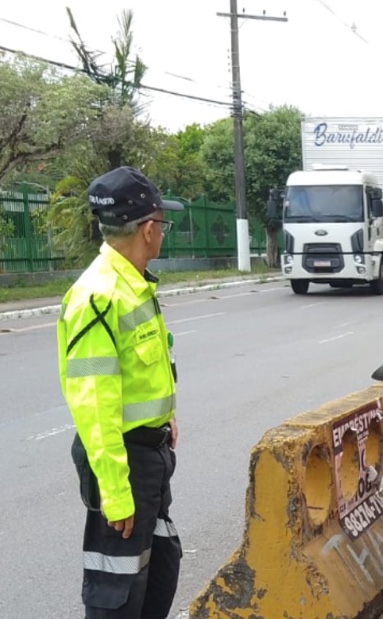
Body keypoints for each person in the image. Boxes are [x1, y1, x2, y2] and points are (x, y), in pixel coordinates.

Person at [57, 166, 184, 618]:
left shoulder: (133, 284)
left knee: (158, 570)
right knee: (118, 589)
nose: (162, 233)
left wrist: (164, 415)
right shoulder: (99, 294)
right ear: (149, 229)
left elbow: (139, 370)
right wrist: (114, 491)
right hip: (121, 462)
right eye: (162, 224)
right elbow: (93, 404)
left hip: (149, 454)